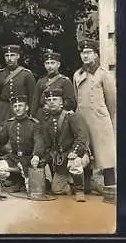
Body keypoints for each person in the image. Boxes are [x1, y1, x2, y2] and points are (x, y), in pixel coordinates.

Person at [73, 39, 116, 187]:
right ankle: (87, 187)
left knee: (105, 154)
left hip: (100, 120)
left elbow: (111, 100)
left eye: (88, 53)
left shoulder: (103, 74)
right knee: (85, 150)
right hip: (83, 120)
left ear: (95, 55)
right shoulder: (77, 75)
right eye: (83, 53)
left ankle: (110, 186)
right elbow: (76, 96)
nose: (85, 56)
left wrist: (104, 116)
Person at [36, 88, 90, 202]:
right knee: (56, 189)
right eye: (48, 100)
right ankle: (70, 185)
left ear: (61, 102)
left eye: (54, 99)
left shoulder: (72, 117)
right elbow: (48, 145)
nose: (51, 102)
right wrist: (43, 157)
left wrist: (75, 152)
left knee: (74, 163)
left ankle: (79, 191)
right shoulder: (47, 121)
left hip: (78, 154)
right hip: (62, 158)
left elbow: (82, 137)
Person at [0, 95, 44, 193]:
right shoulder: (9, 123)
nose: (17, 108)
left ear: (26, 108)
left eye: (20, 105)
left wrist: (36, 155)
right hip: (14, 158)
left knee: (32, 190)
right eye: (15, 106)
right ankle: (15, 181)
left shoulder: (34, 124)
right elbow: (0, 141)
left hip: (29, 158)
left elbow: (39, 141)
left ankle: (27, 180)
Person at [31, 51, 75, 121]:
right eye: (47, 63)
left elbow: (70, 102)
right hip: (42, 116)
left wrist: (55, 107)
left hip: (59, 116)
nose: (50, 66)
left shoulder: (65, 81)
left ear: (58, 64)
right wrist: (33, 116)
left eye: (52, 63)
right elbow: (35, 101)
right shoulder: (40, 81)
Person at [0, 44, 36, 123]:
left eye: (12, 55)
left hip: (21, 109)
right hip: (4, 109)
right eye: (7, 56)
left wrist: (31, 113)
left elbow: (32, 97)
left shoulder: (26, 74)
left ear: (18, 56)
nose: (9, 58)